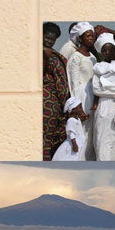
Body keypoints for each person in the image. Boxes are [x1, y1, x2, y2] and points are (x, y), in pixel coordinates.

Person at [66, 22, 97, 157]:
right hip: (81, 95)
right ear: (80, 38)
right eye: (88, 36)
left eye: (92, 36)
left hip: (93, 94)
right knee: (82, 129)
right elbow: (73, 82)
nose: (91, 38)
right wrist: (77, 106)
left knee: (91, 131)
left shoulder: (93, 57)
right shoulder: (75, 57)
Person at [42, 22, 69, 161]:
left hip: (55, 104)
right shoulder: (39, 53)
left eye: (52, 39)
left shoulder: (54, 54)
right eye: (46, 37)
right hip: (46, 102)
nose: (49, 41)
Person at [51, 96, 87, 161]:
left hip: (79, 141)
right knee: (72, 157)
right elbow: (71, 133)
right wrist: (74, 144)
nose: (81, 109)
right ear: (74, 109)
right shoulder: (71, 120)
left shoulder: (76, 119)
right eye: (80, 107)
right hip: (74, 143)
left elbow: (77, 124)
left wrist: (84, 117)